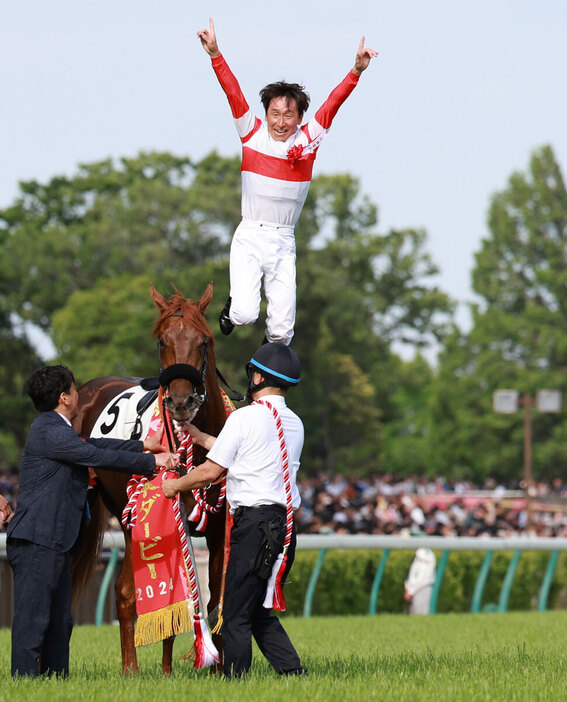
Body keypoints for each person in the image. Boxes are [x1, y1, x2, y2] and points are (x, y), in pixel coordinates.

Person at [197, 17, 378, 345]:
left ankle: (263, 379)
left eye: (289, 115)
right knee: (244, 315)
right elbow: (232, 91)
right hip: (251, 234)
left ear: (300, 118)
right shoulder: (251, 133)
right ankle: (233, 306)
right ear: (265, 113)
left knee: (282, 332)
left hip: (283, 241)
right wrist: (215, 54)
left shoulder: (308, 139)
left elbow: (332, 105)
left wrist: (356, 72)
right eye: (275, 114)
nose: (281, 122)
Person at [7, 365, 179, 678]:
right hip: (37, 541)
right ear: (65, 398)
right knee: (34, 620)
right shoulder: (49, 430)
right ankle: (23, 682)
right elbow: (97, 456)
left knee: (61, 620)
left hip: (53, 541)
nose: (77, 393)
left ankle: (56, 680)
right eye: (74, 389)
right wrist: (150, 461)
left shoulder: (56, 429)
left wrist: (143, 444)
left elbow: (97, 444)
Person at [162, 342, 306, 678]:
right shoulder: (295, 423)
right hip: (284, 527)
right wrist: (201, 438)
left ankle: (236, 682)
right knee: (257, 612)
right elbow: (251, 455)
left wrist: (174, 486)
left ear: (257, 376)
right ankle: (293, 673)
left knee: (236, 614)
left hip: (254, 526)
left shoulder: (243, 417)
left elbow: (211, 472)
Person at [404, 548, 437, 615]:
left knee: (421, 617)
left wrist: (411, 590)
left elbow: (419, 574)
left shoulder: (422, 554)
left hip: (421, 589)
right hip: (422, 589)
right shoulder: (426, 553)